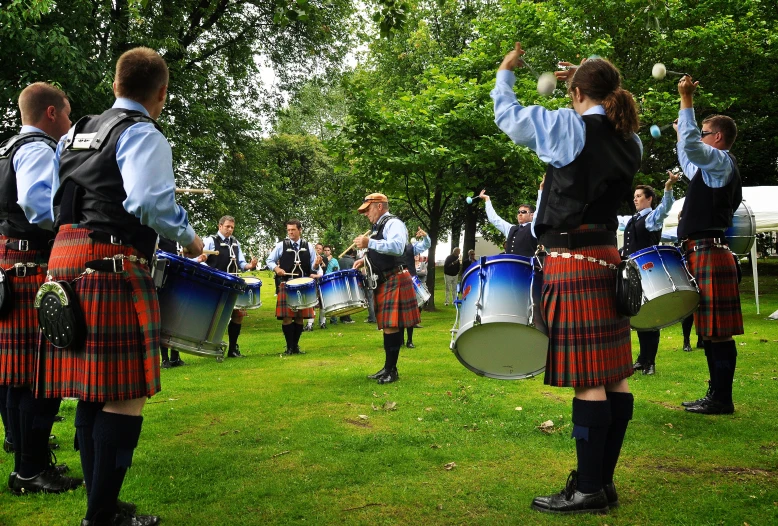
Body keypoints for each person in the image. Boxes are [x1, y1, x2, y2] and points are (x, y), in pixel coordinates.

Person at [36, 47, 204, 526]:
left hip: (64, 258)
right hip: (110, 262)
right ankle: (102, 514)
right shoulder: (142, 133)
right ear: (162, 94)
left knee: (92, 391)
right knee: (124, 392)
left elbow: (50, 207)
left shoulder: (74, 132)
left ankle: (100, 507)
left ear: (115, 84)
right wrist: (190, 240)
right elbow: (150, 202)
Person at [492, 43, 642, 514]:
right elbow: (599, 110)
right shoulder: (630, 138)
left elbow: (510, 117)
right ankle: (602, 481)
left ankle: (588, 489)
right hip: (607, 256)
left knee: (587, 381)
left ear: (576, 92)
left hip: (573, 260)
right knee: (615, 375)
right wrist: (585, 80)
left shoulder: (570, 127)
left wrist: (505, 73)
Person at [0, 82, 81, 495]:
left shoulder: (6, 147)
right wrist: (76, 220)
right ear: (51, 113)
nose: (68, 124)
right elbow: (38, 205)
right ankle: (31, 470)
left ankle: (24, 461)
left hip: (10, 261)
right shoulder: (36, 149)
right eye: (67, 114)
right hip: (28, 263)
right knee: (40, 375)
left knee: (16, 378)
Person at [674, 75, 742, 415]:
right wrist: (680, 131)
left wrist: (687, 100)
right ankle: (716, 394)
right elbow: (688, 161)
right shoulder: (709, 169)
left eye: (703, 131)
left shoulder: (721, 160)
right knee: (711, 332)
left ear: (717, 137)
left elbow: (691, 149)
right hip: (704, 253)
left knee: (718, 333)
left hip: (710, 253)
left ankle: (721, 399)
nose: (698, 136)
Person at [353, 193, 420, 384]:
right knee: (387, 327)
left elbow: (398, 247)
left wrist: (369, 243)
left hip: (395, 278)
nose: (366, 214)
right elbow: (381, 253)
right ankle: (387, 368)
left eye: (368, 209)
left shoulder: (393, 223)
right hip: (386, 280)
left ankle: (392, 370)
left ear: (379, 206)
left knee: (391, 326)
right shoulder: (378, 227)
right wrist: (364, 260)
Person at [618, 174, 679, 375]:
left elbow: (665, 208)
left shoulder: (652, 217)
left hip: (648, 271)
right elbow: (615, 220)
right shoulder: (632, 219)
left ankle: (650, 362)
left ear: (649, 198)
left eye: (638, 196)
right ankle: (642, 359)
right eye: (634, 196)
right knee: (639, 313)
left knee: (650, 316)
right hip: (633, 272)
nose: (635, 199)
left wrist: (668, 187)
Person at [195, 215, 258, 358]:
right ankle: (212, 347)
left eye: (232, 227)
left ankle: (233, 349)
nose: (230, 230)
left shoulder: (235, 243)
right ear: (220, 226)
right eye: (227, 227)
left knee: (237, 315)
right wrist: (211, 270)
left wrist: (250, 265)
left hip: (233, 284)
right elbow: (199, 258)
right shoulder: (210, 240)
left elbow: (241, 264)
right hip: (215, 284)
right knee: (216, 317)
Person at [266, 219, 321, 354]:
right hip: (286, 284)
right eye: (288, 230)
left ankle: (295, 346)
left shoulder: (308, 246)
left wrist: (316, 266)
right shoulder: (281, 245)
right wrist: (276, 269)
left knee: (299, 317)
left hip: (303, 285)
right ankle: (289, 347)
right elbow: (269, 260)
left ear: (300, 230)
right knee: (287, 317)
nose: (290, 232)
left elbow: (316, 267)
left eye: (293, 230)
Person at [478, 190, 538, 257]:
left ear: (532, 215)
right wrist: (487, 199)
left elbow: (539, 210)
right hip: (510, 265)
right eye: (518, 212)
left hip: (526, 266)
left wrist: (541, 190)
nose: (520, 214)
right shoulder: (511, 228)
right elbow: (494, 219)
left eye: (523, 212)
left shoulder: (533, 227)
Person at [157, 237, 185, 368]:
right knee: (164, 319)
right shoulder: (159, 234)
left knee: (177, 319)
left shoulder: (179, 238)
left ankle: (175, 357)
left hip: (178, 281)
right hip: (163, 280)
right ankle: (164, 359)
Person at [402, 227, 431, 348]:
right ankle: (399, 340)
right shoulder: (389, 248)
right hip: (395, 283)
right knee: (399, 313)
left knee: (410, 312)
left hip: (410, 283)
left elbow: (426, 244)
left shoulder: (411, 247)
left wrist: (425, 236)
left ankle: (409, 340)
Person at [305, 243, 325, 331]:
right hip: (311, 284)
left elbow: (322, 273)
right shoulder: (309, 259)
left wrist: (315, 276)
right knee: (311, 304)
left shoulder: (324, 260)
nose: (317, 250)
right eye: (316, 248)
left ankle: (322, 322)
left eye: (319, 248)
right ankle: (310, 324)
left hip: (322, 284)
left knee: (322, 304)